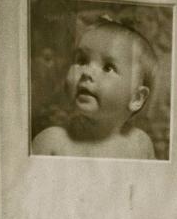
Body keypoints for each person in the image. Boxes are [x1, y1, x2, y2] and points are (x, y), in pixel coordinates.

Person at [31, 18, 156, 159]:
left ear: (136, 98)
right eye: (82, 61)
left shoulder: (140, 144)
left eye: (108, 67)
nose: (86, 72)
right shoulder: (51, 141)